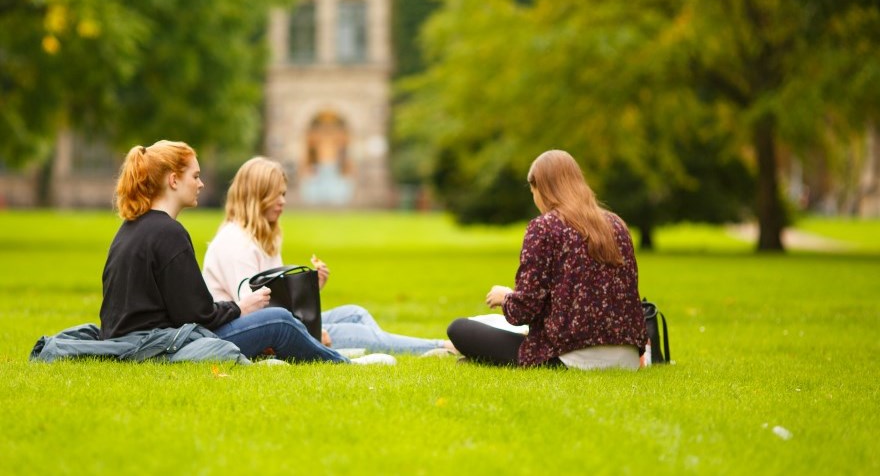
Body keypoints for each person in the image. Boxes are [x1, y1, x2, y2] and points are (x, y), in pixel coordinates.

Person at [100, 140, 395, 366]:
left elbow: (179, 309)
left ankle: (324, 350)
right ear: (174, 180)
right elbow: (197, 314)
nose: (201, 184)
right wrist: (242, 307)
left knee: (317, 316)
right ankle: (342, 363)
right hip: (160, 345)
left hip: (144, 339)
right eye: (195, 176)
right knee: (278, 320)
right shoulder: (168, 233)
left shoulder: (130, 229)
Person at [202, 156, 455, 356]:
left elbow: (279, 300)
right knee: (352, 331)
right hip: (244, 332)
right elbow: (254, 310)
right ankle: (439, 346)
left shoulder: (266, 235)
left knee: (355, 314)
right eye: (276, 195)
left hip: (272, 322)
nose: (282, 202)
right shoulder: (235, 242)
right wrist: (310, 333)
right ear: (256, 197)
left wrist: (311, 288)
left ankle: (388, 346)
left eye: (284, 194)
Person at [447, 149, 648, 369]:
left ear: (541, 188)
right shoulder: (616, 225)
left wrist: (505, 298)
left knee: (459, 329)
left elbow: (524, 310)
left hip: (570, 356)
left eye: (533, 190)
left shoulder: (544, 227)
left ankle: (480, 359)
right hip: (628, 357)